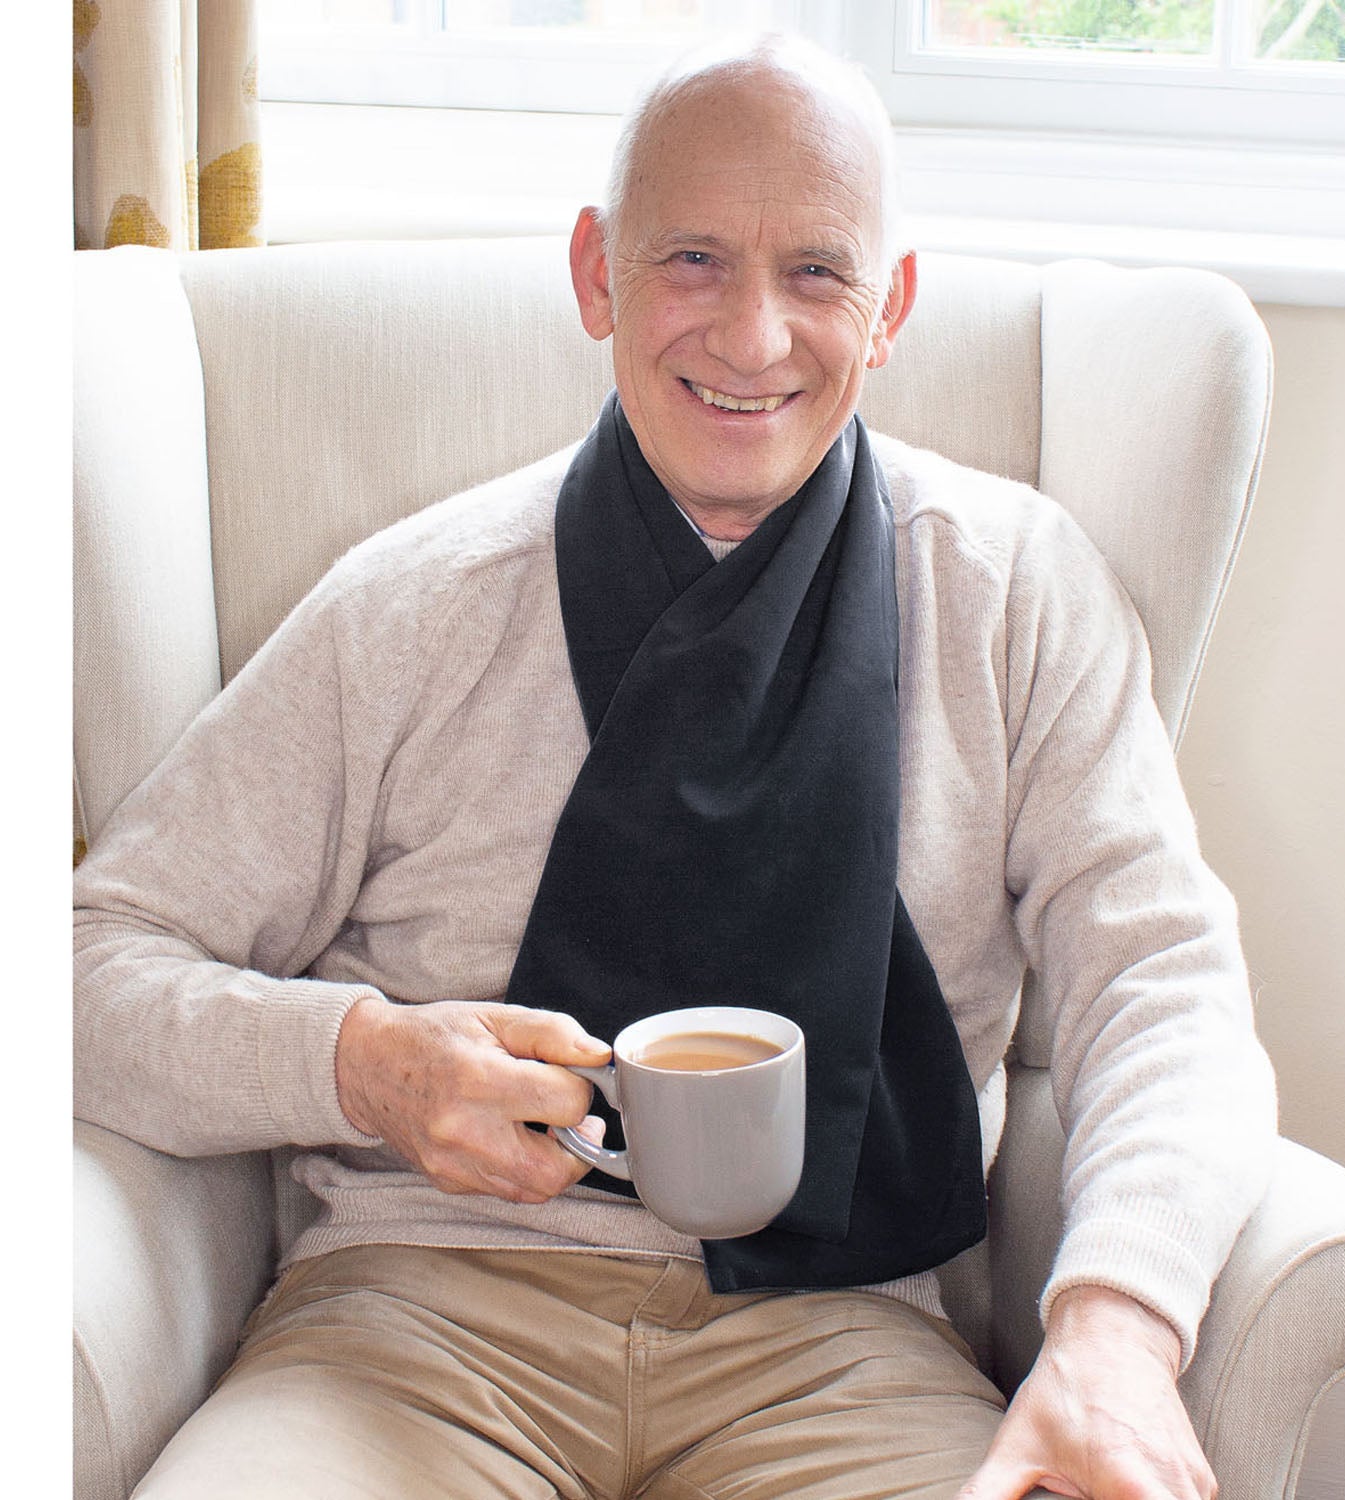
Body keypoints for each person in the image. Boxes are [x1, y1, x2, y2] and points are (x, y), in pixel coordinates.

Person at [74, 32, 1277, 1500]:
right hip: (418, 1324)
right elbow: (80, 965)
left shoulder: (1013, 595)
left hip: (848, 1343)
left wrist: (1119, 1333)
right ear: (597, 273)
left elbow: (1165, 990)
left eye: (818, 272)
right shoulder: (414, 608)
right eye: (693, 260)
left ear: (891, 305)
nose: (754, 336)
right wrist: (363, 1065)